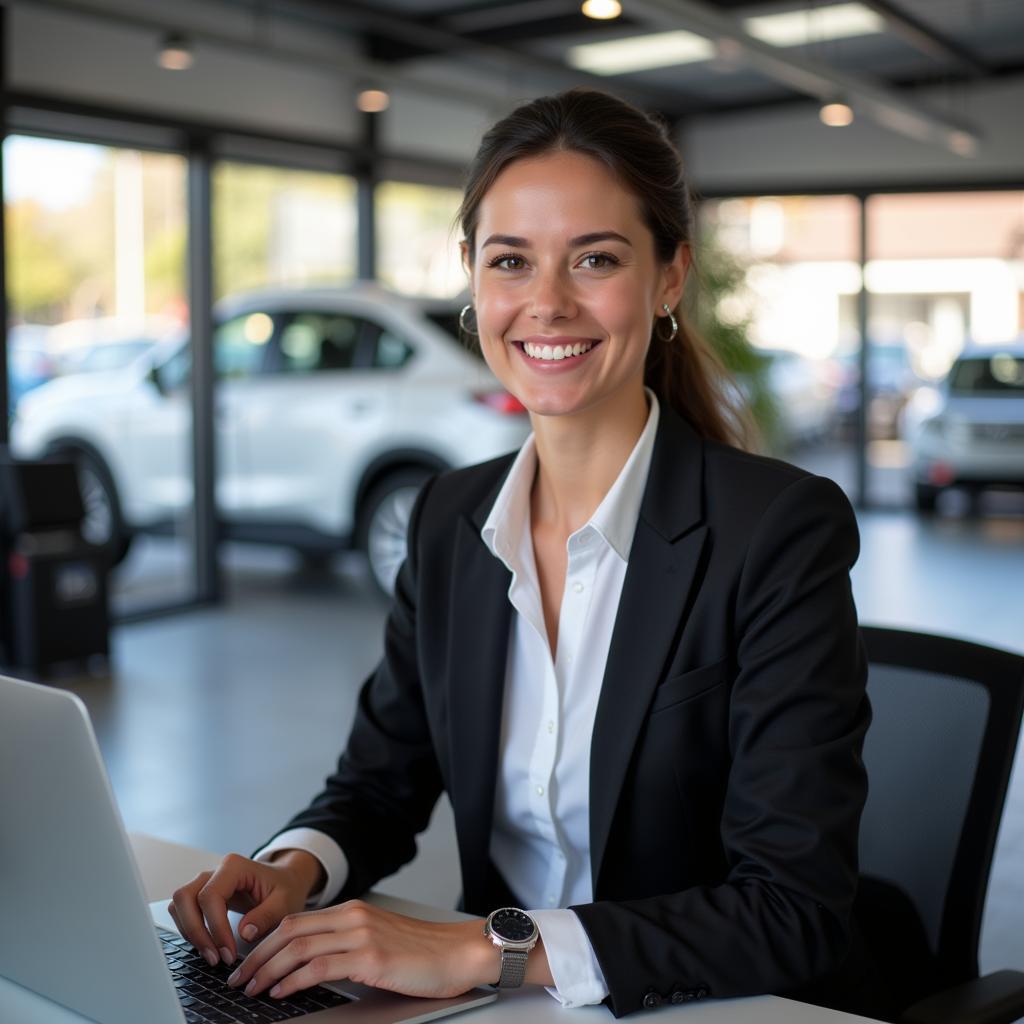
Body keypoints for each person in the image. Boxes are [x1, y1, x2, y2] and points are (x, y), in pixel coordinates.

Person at [169, 88, 874, 1018]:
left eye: (595, 259)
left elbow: (793, 909)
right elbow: (380, 783)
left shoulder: (777, 531)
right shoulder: (451, 519)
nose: (547, 302)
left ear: (668, 278)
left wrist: (482, 949)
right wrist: (294, 869)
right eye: (511, 260)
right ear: (472, 276)